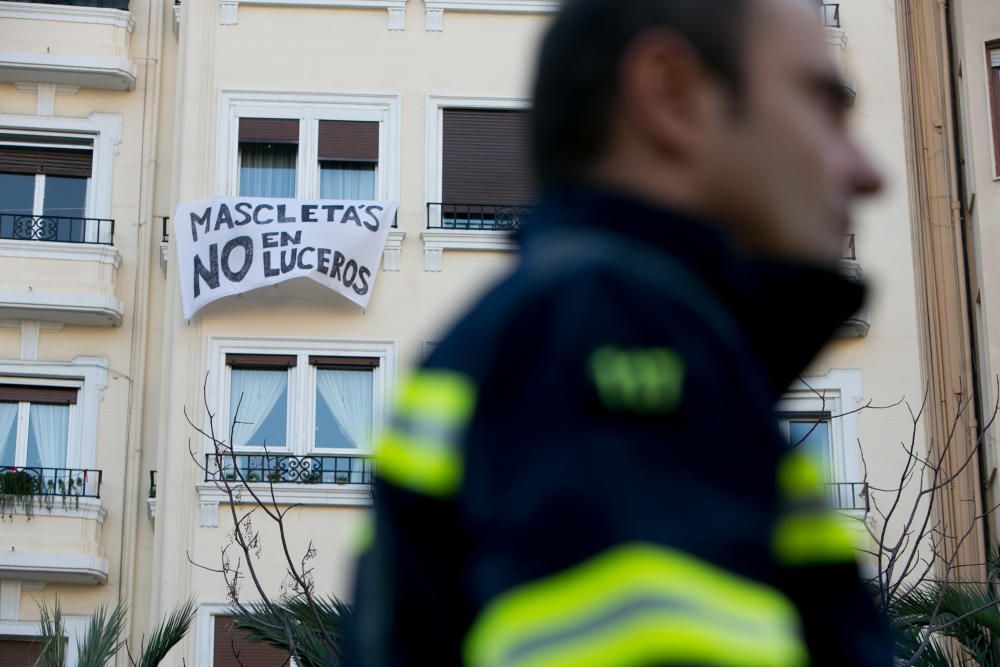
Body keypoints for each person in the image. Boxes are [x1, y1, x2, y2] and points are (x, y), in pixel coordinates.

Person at [348, 0, 891, 664]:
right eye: (823, 104)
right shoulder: (616, 331)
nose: (866, 171)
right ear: (671, 96)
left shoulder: (549, 335)